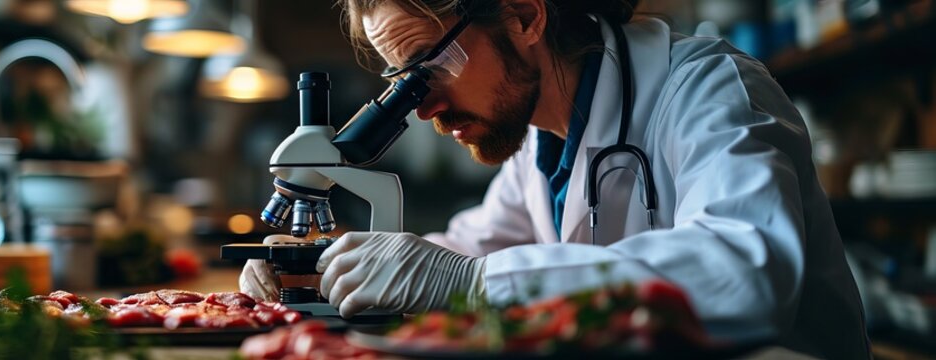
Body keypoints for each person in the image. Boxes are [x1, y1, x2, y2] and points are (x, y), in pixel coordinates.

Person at [241, 0, 870, 358]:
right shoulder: (536, 145)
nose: (423, 109)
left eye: (427, 69)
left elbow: (746, 270)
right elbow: (463, 251)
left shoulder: (708, 89)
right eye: (402, 85)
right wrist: (323, 270)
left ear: (523, 16)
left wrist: (474, 282)